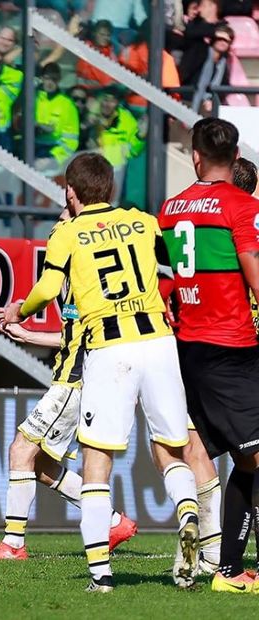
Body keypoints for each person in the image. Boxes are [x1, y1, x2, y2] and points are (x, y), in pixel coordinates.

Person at [2, 153, 200, 592]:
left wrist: (21, 308)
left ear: (70, 192)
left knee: (97, 463)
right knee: (171, 450)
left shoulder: (67, 233)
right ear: (110, 189)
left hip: (110, 349)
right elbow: (178, 267)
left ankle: (101, 576)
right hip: (159, 341)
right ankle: (188, 517)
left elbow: (50, 288)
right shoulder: (144, 221)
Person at [0, 206, 138, 561]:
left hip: (74, 379)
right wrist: (27, 332)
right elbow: (71, 332)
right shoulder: (73, 273)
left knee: (20, 449)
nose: (56, 227)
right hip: (73, 374)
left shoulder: (80, 272)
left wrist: (24, 320)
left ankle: (13, 545)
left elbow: (84, 336)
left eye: (62, 220)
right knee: (40, 464)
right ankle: (113, 521)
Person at [158, 119, 259, 593]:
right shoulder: (242, 205)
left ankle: (231, 568)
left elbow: (165, 286)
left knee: (238, 459)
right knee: (254, 457)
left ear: (195, 155)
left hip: (188, 346)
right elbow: (254, 272)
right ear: (235, 157)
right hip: (231, 346)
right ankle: (229, 569)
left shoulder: (170, 208)